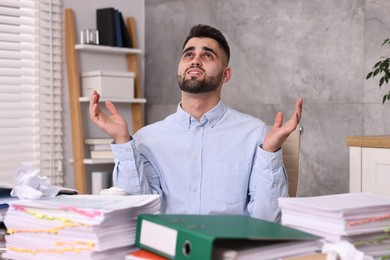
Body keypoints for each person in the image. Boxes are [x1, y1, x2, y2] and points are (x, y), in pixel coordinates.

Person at [89, 24, 303, 222]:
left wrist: (270, 151)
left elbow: (267, 219)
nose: (195, 60)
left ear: (225, 75)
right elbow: (138, 215)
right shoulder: (147, 139)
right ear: (180, 69)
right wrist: (122, 141)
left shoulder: (255, 134)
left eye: (207, 55)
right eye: (188, 54)